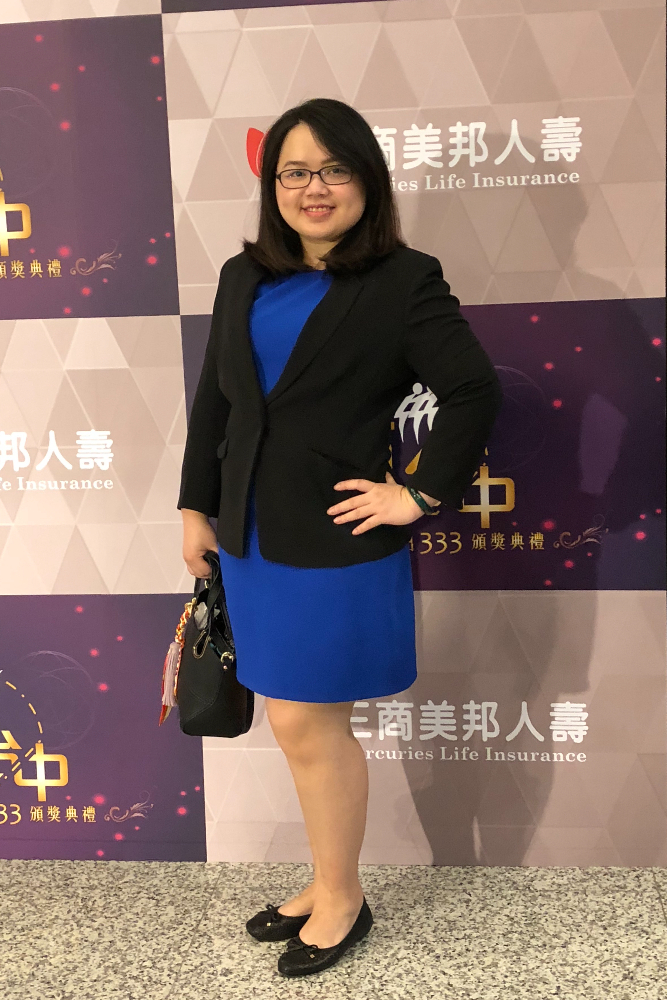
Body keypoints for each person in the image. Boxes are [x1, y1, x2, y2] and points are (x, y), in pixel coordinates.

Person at [178, 97, 502, 978]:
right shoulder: (243, 275)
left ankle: (343, 899)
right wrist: (195, 507)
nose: (312, 187)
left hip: (331, 538)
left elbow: (473, 390)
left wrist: (418, 493)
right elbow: (215, 399)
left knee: (306, 722)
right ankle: (328, 881)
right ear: (271, 184)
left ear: (367, 179)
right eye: (294, 171)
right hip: (249, 534)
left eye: (333, 169)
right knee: (295, 726)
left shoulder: (404, 279)